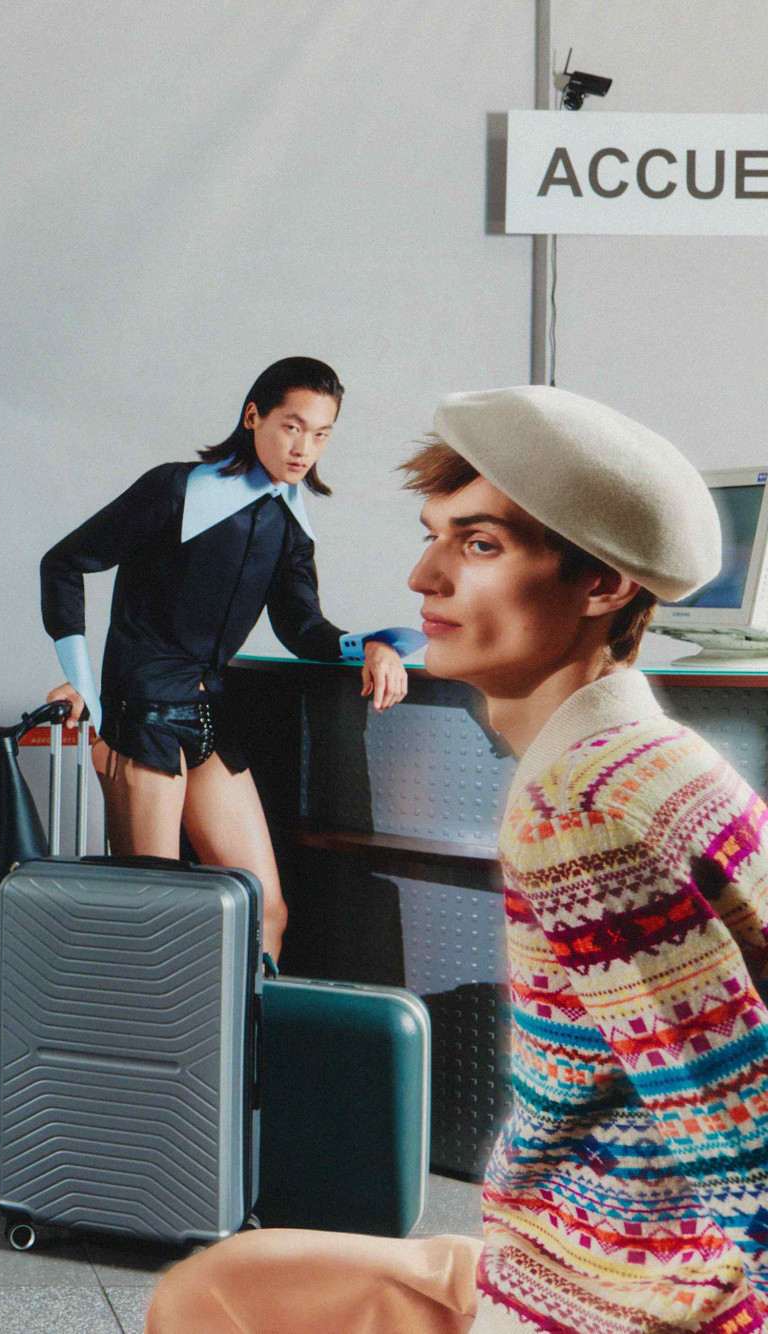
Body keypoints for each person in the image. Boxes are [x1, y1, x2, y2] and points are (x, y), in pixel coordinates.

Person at [147, 385, 764, 1334]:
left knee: (206, 1305)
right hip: (570, 1245)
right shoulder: (648, 759)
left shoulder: (582, 809)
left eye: (479, 545)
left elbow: (740, 1129)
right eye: (435, 535)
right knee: (220, 1285)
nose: (423, 576)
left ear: (602, 585)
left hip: (617, 1294)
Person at [38, 356, 416, 961]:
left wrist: (373, 644)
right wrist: (85, 686)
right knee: (153, 919)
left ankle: (253, 1026)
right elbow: (64, 563)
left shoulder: (290, 521)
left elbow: (303, 628)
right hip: (141, 718)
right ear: (253, 416)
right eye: (292, 426)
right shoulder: (176, 489)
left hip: (210, 718)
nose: (305, 448)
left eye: (321, 434)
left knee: (265, 911)